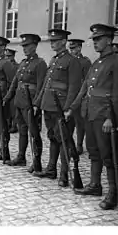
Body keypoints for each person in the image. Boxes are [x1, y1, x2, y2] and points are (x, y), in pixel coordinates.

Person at [65, 24, 118, 210]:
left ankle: (113, 192)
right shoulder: (97, 63)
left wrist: (111, 117)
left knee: (108, 155)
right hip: (90, 114)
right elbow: (84, 89)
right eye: (93, 39)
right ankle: (95, 185)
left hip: (104, 117)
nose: (94, 42)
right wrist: (71, 108)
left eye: (98, 39)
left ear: (109, 40)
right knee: (93, 152)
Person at [32, 29, 82, 187]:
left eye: (55, 40)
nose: (52, 43)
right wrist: (38, 104)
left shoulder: (71, 61)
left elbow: (74, 87)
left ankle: (64, 175)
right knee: (53, 136)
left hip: (61, 107)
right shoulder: (53, 60)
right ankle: (51, 169)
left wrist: (68, 109)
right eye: (51, 41)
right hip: (49, 105)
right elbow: (47, 84)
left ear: (63, 41)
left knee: (64, 140)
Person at [4, 34, 47, 174]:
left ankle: (37, 161)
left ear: (34, 46)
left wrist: (37, 105)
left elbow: (41, 86)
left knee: (34, 133)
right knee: (22, 130)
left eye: (27, 46)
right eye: (23, 46)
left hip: (30, 102)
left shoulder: (40, 63)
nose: (25, 49)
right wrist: (8, 97)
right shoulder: (23, 63)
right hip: (20, 101)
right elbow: (16, 82)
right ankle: (21, 157)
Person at [68, 39, 92, 154]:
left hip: (79, 95)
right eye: (70, 49)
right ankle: (70, 144)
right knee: (69, 121)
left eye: (74, 48)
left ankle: (79, 145)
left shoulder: (85, 62)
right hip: (69, 94)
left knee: (79, 122)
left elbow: (87, 80)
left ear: (79, 48)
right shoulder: (69, 61)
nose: (72, 51)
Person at [5, 48, 19, 134]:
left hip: (14, 88)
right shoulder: (5, 65)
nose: (7, 58)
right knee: (7, 108)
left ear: (13, 56)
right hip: (6, 88)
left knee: (13, 108)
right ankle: (8, 124)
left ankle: (14, 125)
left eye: (9, 56)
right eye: (6, 56)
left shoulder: (16, 66)